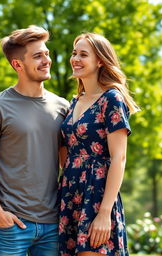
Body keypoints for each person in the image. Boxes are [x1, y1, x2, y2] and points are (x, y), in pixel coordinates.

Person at [0, 25, 69, 256]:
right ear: (18, 64)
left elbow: (67, 165)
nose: (46, 60)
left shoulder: (64, 107)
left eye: (46, 53)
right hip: (12, 224)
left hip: (53, 224)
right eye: (37, 56)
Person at [58, 33, 139, 256]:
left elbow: (119, 158)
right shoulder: (74, 102)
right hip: (69, 194)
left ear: (100, 61)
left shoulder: (112, 99)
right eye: (74, 53)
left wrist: (104, 213)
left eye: (83, 54)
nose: (75, 58)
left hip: (97, 196)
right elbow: (65, 148)